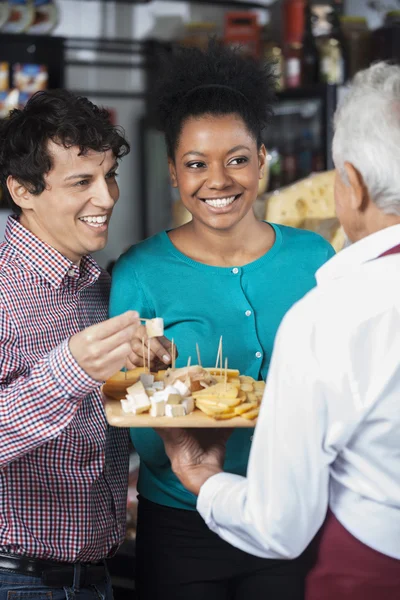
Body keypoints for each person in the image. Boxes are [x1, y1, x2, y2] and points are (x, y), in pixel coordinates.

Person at [158, 61, 400, 600]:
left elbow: (280, 523)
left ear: (353, 186)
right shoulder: (143, 269)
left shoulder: (329, 310)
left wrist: (202, 478)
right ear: (174, 170)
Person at [109, 41, 335, 600]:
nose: (218, 180)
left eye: (236, 158)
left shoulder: (315, 258)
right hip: (184, 526)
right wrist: (171, 394)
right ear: (173, 171)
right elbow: (133, 413)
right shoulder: (141, 273)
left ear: (262, 157)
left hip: (294, 514)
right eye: (196, 164)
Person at [0, 89, 141, 598]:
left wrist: (150, 381)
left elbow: (98, 437)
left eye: (109, 178)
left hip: (98, 578)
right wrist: (68, 372)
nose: (105, 198)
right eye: (82, 181)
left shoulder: (105, 288)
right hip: (16, 580)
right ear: (23, 190)